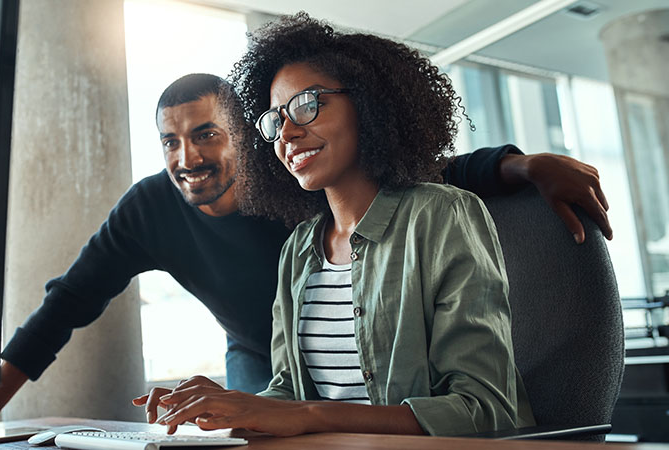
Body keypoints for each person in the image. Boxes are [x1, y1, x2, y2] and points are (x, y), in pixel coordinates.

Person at [0, 71, 608, 446]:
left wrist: (524, 164)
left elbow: (422, 173)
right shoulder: (149, 208)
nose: (188, 158)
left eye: (207, 135)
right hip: (265, 359)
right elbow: (66, 303)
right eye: (170, 141)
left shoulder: (291, 178)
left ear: (242, 137)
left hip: (370, 355)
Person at [132, 13, 537, 437]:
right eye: (275, 120)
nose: (287, 132)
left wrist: (313, 415)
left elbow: (485, 411)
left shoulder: (442, 216)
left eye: (307, 105)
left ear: (366, 102)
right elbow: (289, 394)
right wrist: (224, 407)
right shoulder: (299, 248)